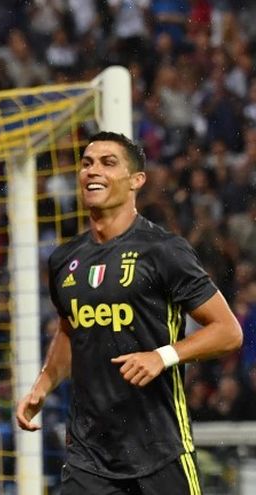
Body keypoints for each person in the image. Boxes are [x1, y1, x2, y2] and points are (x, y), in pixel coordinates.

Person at [15, 131, 242, 494]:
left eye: (108, 163)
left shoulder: (164, 250)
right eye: (87, 163)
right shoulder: (64, 260)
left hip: (160, 449)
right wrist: (43, 384)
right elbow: (70, 329)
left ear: (136, 180)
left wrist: (162, 356)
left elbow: (228, 331)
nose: (93, 171)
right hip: (89, 456)